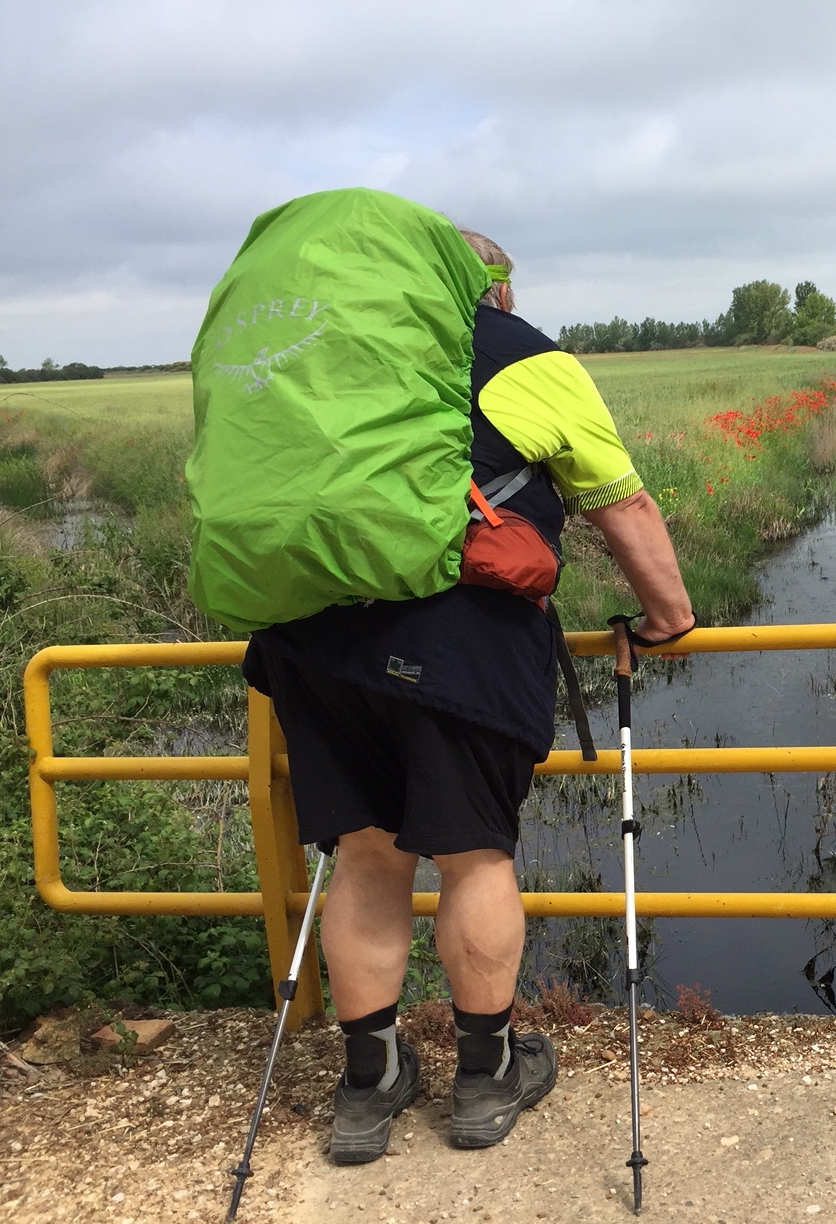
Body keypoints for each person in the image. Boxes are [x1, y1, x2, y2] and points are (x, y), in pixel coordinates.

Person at [241, 229, 696, 1164]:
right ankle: (484, 1081)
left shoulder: (310, 356)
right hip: (456, 647)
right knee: (473, 858)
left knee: (366, 860)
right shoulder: (516, 352)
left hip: (310, 643)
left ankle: (368, 1090)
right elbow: (624, 503)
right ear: (492, 288)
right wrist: (668, 617)